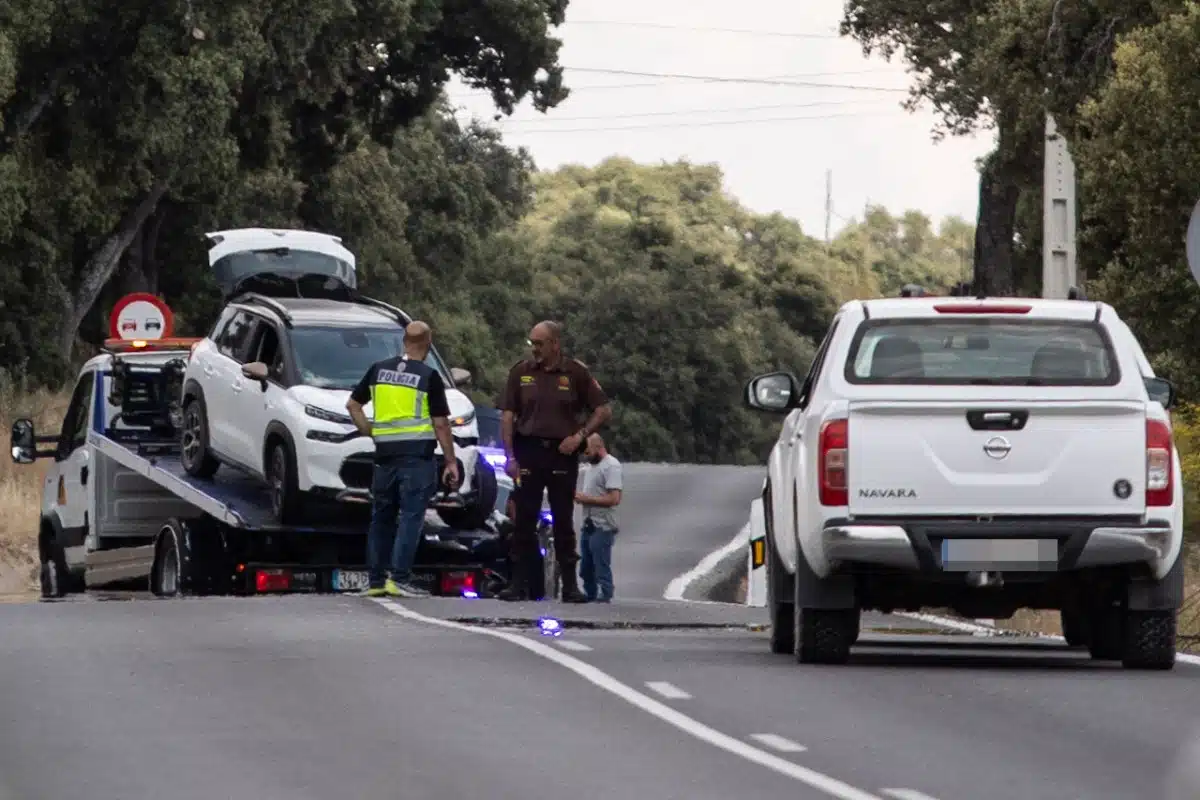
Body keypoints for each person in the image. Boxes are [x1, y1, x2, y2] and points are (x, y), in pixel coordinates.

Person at [497, 320, 612, 603]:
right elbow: (508, 416)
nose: (534, 349)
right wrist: (509, 456)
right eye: (531, 343)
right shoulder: (521, 372)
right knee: (524, 518)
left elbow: (603, 409)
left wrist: (580, 435)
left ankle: (570, 586)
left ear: (554, 344)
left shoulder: (575, 372)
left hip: (561, 453)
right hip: (529, 451)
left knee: (563, 519)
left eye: (539, 344)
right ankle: (518, 583)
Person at [345, 320, 460, 598]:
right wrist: (451, 461)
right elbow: (441, 423)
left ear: (403, 341)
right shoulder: (428, 376)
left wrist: (370, 431)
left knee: (381, 518)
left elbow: (353, 405)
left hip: (384, 457)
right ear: (428, 345)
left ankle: (375, 581)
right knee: (411, 517)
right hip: (416, 458)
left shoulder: (378, 370)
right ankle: (399, 579)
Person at [575, 433, 622, 603]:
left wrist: (587, 499)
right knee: (586, 566)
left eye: (587, 452)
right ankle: (590, 594)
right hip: (588, 523)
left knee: (601, 563)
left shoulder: (611, 466)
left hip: (602, 525)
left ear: (597, 447)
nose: (586, 456)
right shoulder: (591, 468)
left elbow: (614, 498)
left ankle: (606, 593)